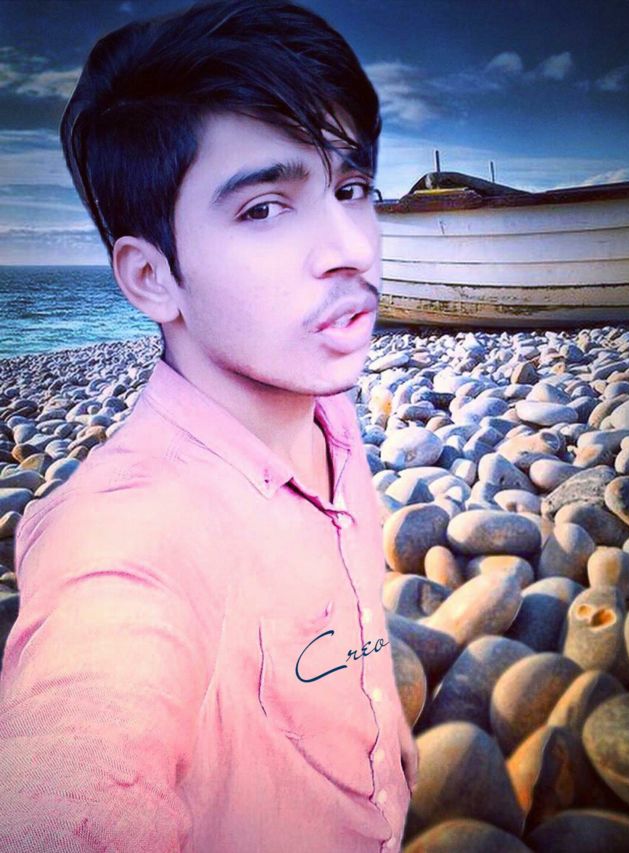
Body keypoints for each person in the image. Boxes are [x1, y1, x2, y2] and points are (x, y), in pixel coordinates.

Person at [0, 1, 418, 850]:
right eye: (263, 208)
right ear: (152, 277)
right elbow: (69, 776)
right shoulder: (119, 546)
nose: (350, 246)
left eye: (351, 189)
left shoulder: (326, 410)